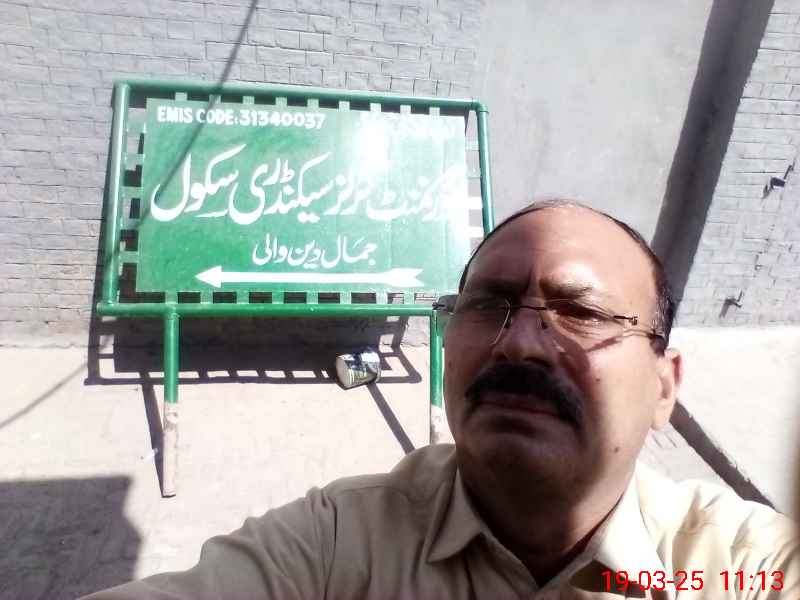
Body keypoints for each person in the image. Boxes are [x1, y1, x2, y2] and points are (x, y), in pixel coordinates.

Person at [85, 199, 798, 599]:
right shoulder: (337, 548)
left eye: (580, 313)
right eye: (488, 305)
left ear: (664, 386)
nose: (520, 345)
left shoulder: (740, 565)